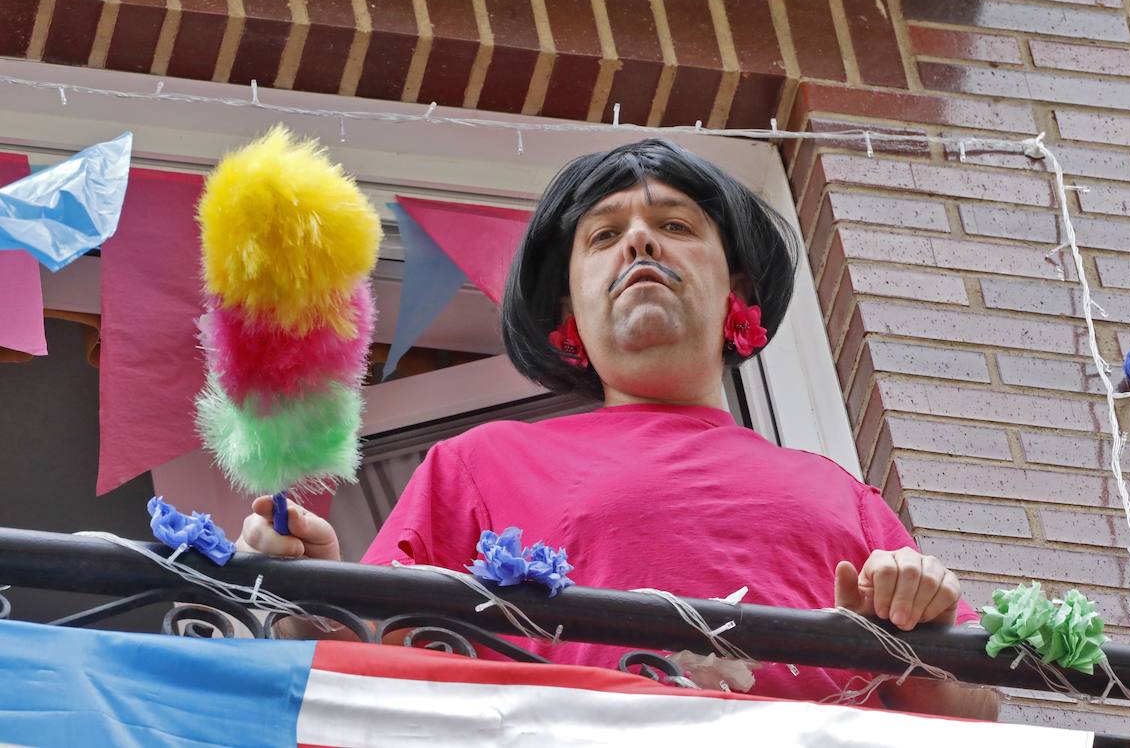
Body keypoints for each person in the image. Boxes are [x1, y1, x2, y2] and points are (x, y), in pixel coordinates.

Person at [238, 139, 998, 718]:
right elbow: (362, 687)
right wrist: (312, 593)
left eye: (673, 224)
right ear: (568, 314)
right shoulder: (476, 465)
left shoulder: (847, 499)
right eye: (603, 237)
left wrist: (920, 625)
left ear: (738, 290)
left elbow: (977, 719)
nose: (640, 242)